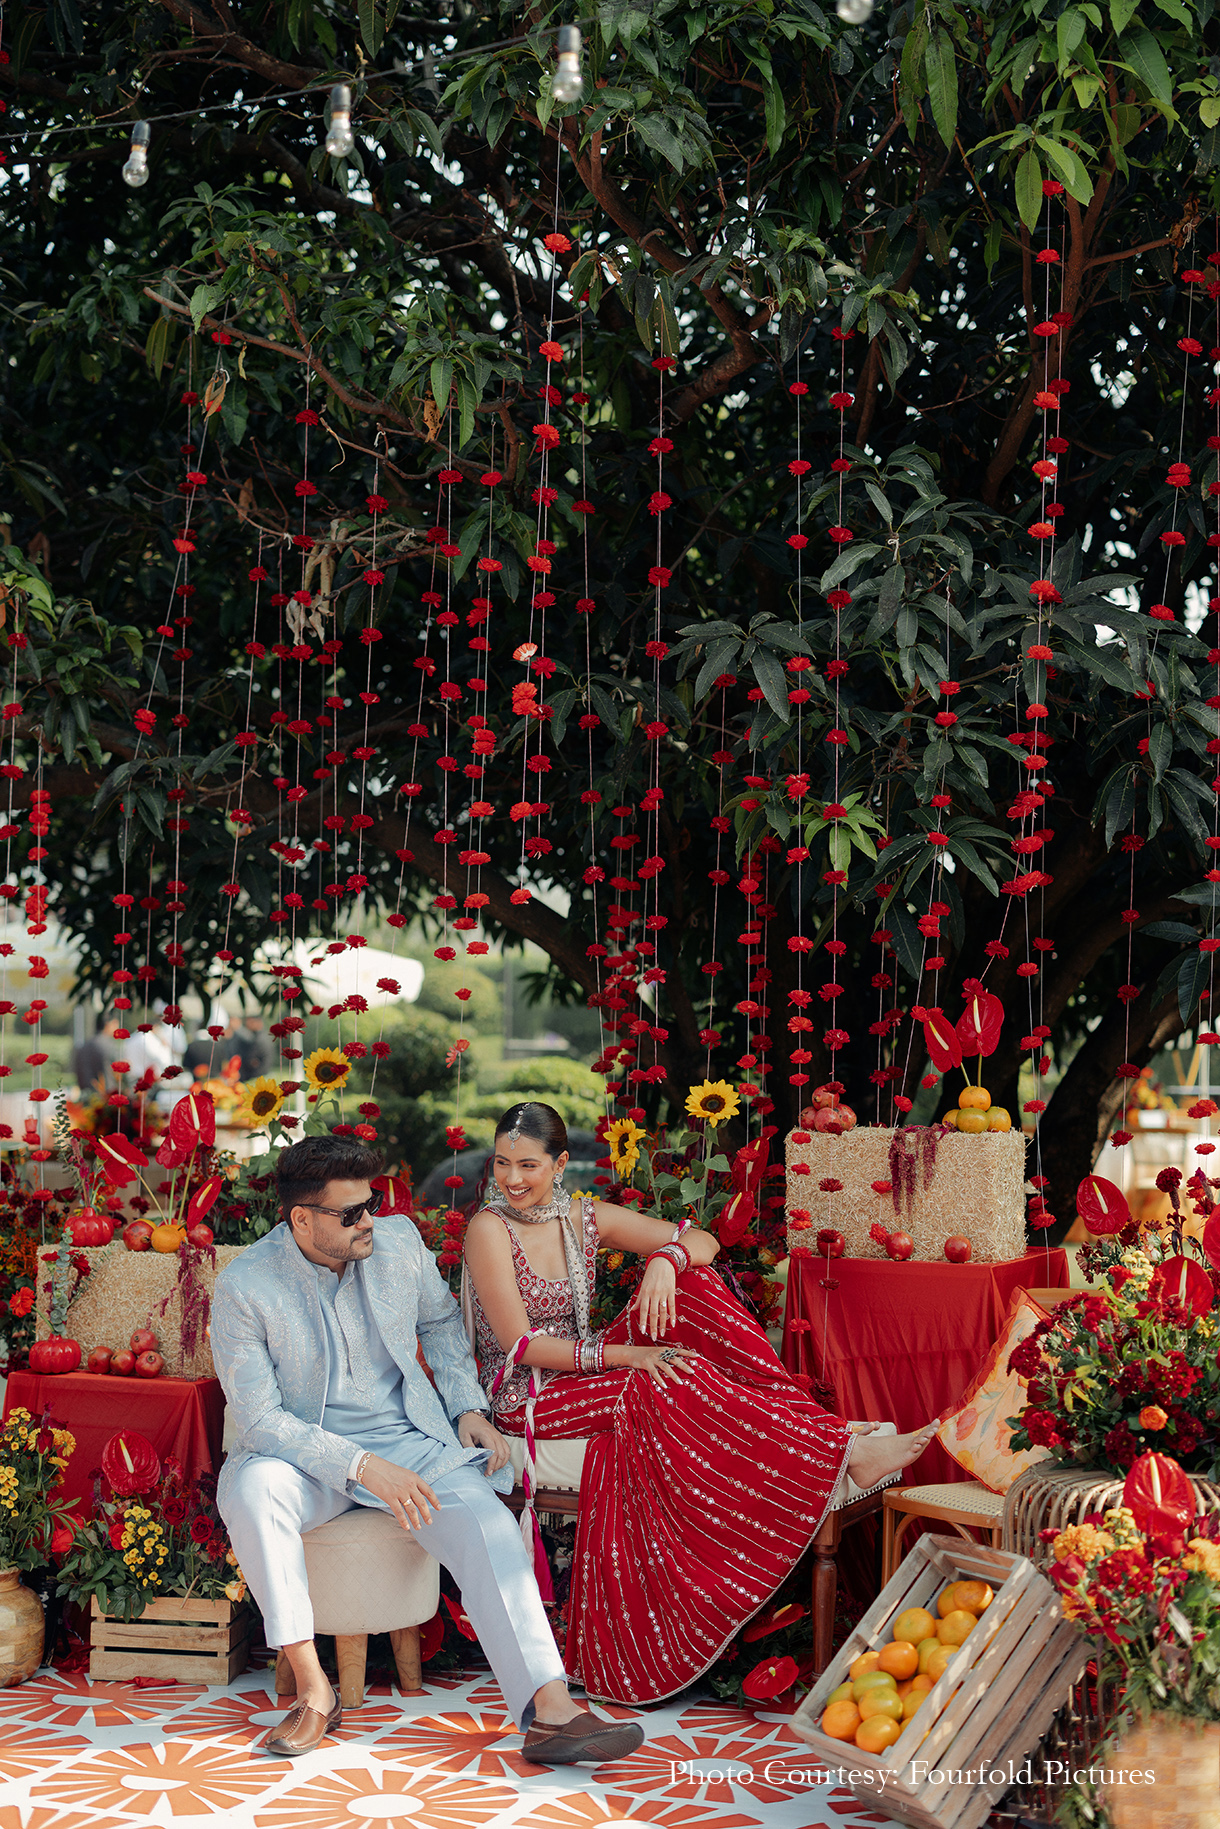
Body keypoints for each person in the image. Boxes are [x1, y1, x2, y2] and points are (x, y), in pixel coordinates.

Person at [463, 1101, 938, 1706]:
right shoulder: (489, 1228)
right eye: (502, 1163)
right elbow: (521, 1344)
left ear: (560, 1164)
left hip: (589, 1370)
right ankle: (837, 1445)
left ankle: (818, 1432)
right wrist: (631, 1357)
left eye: (527, 1165)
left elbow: (701, 1241)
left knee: (694, 1283)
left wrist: (664, 1261)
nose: (511, 1180)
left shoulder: (581, 1217)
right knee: (660, 1377)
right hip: (531, 1397)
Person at [211, 1131, 645, 1764]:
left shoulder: (396, 1243)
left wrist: (467, 1406)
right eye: (352, 1212)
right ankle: (312, 1692)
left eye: (373, 1201)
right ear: (301, 1219)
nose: (370, 1221)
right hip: (304, 1457)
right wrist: (359, 1466)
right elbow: (260, 1419)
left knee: (487, 1525)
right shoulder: (245, 1285)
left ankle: (550, 1711)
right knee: (250, 1491)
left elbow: (440, 1327)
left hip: (409, 1441)